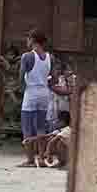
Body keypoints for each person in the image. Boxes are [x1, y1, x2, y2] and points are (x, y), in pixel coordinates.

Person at [18, 29, 58, 167]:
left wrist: (22, 91)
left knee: (27, 127)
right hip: (44, 94)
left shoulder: (27, 57)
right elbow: (54, 78)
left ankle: (30, 160)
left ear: (33, 40)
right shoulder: (50, 57)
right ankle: (41, 159)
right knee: (41, 127)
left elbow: (21, 78)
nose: (27, 41)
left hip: (31, 93)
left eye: (28, 38)